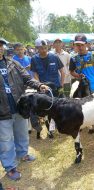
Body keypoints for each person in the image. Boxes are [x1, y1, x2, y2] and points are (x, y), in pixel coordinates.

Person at [0, 38, 48, 180]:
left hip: (19, 106)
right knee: (6, 140)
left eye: (1, 46)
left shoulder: (13, 63)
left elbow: (27, 78)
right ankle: (10, 167)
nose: (0, 48)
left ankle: (23, 154)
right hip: (2, 111)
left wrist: (39, 85)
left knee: (22, 134)